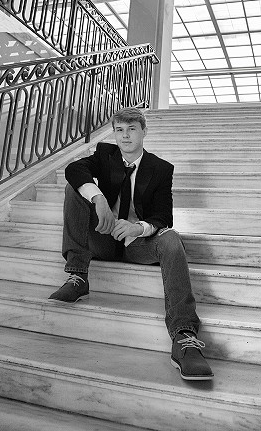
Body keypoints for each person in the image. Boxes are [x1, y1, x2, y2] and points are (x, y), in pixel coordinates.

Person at [49, 107, 213, 381]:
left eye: (132, 129)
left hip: (138, 243)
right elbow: (74, 169)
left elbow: (163, 216)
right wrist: (98, 198)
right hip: (105, 236)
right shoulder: (105, 155)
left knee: (171, 238)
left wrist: (138, 227)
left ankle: (183, 335)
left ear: (144, 132)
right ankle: (78, 276)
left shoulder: (160, 168)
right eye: (119, 130)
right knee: (74, 188)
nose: (125, 136)